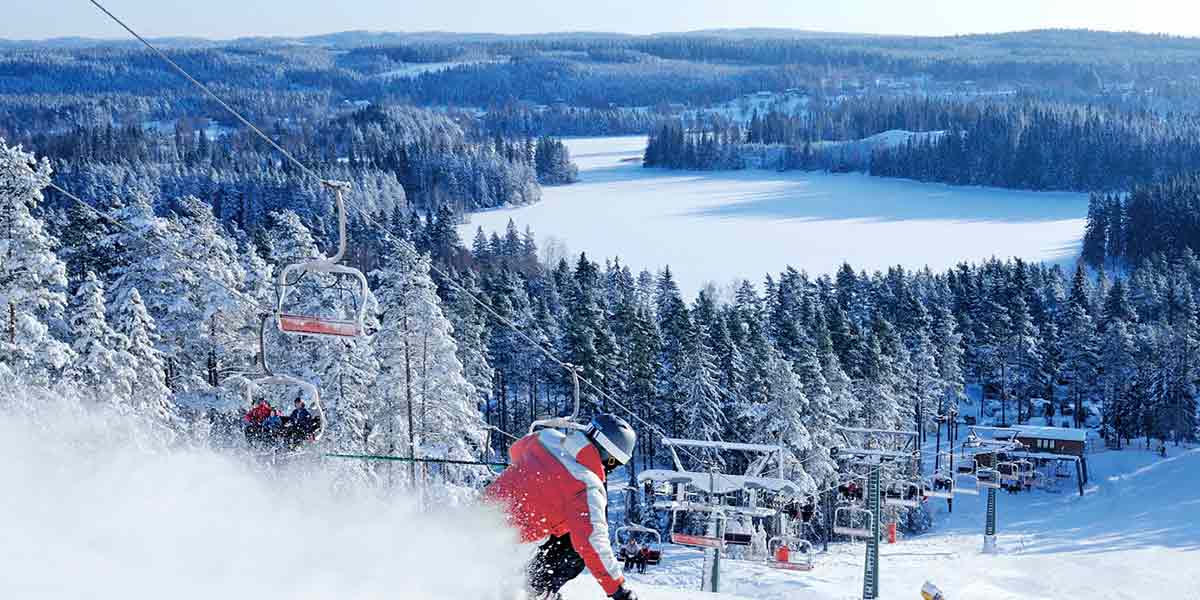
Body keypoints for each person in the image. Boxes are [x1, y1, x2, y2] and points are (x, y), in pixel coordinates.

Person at [484, 414, 638, 600]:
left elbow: (516, 451)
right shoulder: (585, 484)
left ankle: (529, 584)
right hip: (507, 543)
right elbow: (593, 543)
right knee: (576, 548)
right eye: (614, 464)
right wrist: (620, 590)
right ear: (609, 458)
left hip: (481, 513)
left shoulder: (544, 438)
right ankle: (536, 590)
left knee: (563, 531)